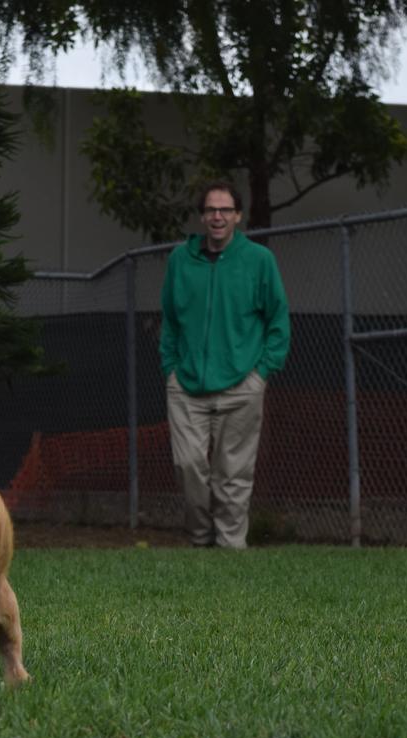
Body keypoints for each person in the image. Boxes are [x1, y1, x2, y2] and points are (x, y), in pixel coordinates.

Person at [159, 179, 290, 549]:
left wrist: (261, 373)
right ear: (202, 216)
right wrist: (170, 367)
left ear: (238, 216)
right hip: (185, 386)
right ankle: (200, 538)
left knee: (233, 473)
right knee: (189, 467)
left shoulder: (259, 261)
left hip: (241, 386)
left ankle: (231, 548)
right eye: (211, 210)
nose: (218, 216)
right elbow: (169, 319)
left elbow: (278, 319)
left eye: (225, 210)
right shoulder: (180, 260)